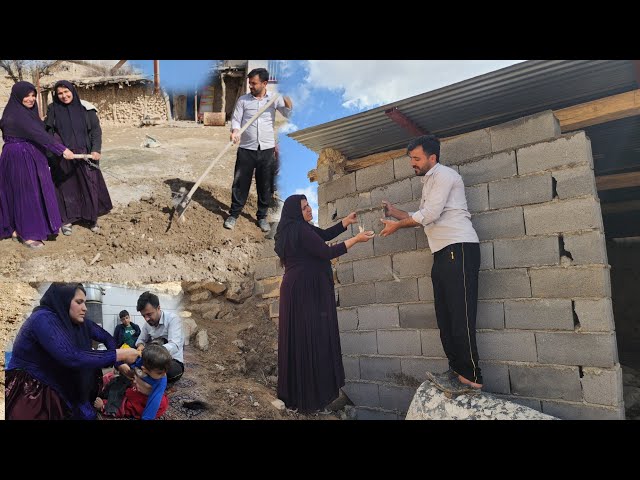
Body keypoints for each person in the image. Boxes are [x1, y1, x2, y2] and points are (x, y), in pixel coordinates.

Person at [379, 134, 483, 394]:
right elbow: (421, 216)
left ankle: (472, 377)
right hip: (442, 253)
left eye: (416, 158)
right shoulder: (430, 181)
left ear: (432, 158)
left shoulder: (445, 176)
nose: (412, 163)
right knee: (445, 317)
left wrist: (398, 225)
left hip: (458, 248)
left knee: (460, 316)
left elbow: (430, 215)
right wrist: (396, 213)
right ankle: (456, 371)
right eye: (411, 159)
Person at [275, 194, 374, 413]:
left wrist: (346, 222)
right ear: (294, 212)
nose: (309, 209)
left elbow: (325, 234)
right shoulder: (300, 230)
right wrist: (356, 240)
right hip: (304, 290)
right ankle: (308, 397)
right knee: (310, 337)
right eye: (303, 208)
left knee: (302, 338)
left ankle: (299, 395)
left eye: (308, 205)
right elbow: (327, 251)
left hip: (297, 289)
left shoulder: (298, 229)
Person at [4, 283, 141, 420]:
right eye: (79, 302)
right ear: (63, 300)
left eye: (85, 303)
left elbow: (107, 338)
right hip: (33, 388)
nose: (85, 308)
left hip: (58, 378)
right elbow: (72, 356)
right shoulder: (42, 319)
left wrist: (119, 364)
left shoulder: (78, 322)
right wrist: (122, 354)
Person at [0, 81, 74, 248]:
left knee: (21, 193)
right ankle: (28, 234)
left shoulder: (26, 113)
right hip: (19, 157)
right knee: (26, 194)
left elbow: (39, 132)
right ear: (17, 96)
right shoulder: (15, 114)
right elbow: (37, 134)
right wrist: (61, 150)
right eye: (27, 95)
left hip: (29, 154)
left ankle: (16, 229)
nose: (31, 99)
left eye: (33, 95)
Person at [224, 67, 293, 233]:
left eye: (254, 83)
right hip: (246, 149)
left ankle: (262, 217)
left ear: (264, 83)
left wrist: (286, 94)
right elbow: (236, 120)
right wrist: (235, 131)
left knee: (265, 185)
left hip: (267, 149)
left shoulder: (274, 100)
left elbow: (289, 113)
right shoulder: (243, 101)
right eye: (250, 83)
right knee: (240, 183)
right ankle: (234, 214)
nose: (251, 86)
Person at [44, 80, 112, 235]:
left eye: (66, 92)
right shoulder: (53, 109)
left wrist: (96, 149)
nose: (64, 96)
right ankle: (67, 221)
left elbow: (95, 131)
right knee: (66, 188)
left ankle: (91, 218)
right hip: (63, 156)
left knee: (89, 186)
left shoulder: (86, 108)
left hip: (85, 154)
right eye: (60, 93)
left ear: (72, 91)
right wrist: (61, 149)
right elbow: (49, 133)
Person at [117, 291, 185, 384]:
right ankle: (144, 376)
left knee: (170, 373)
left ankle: (143, 376)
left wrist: (151, 352)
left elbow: (174, 345)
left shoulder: (173, 319)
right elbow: (140, 340)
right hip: (150, 359)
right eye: (143, 315)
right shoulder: (147, 325)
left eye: (149, 314)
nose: (146, 319)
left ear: (158, 308)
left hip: (172, 360)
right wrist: (140, 346)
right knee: (129, 359)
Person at [95, 343, 171, 420]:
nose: (164, 375)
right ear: (144, 369)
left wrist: (103, 406)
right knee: (115, 382)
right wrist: (121, 364)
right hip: (134, 389)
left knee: (126, 406)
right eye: (160, 373)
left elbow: (151, 408)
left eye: (166, 371)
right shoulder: (140, 361)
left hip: (143, 400)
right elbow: (117, 357)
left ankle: (104, 406)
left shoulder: (160, 382)